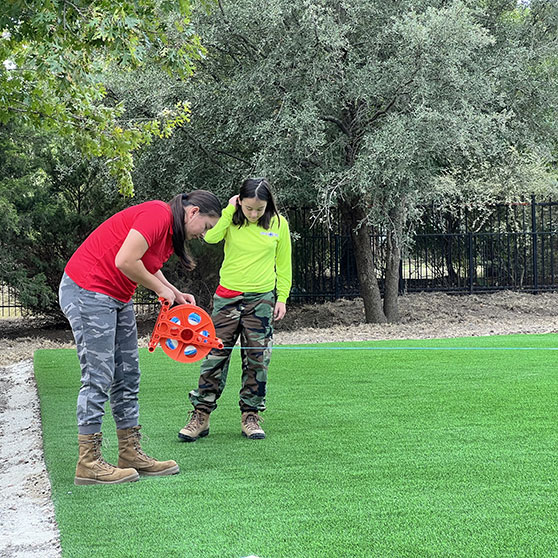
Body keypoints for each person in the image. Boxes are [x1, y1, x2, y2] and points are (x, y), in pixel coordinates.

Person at [59, 191, 222, 485]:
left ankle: (130, 453)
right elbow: (125, 260)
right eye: (207, 226)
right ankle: (88, 463)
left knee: (128, 375)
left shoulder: (169, 230)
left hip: (116, 296)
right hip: (87, 289)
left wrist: (174, 292)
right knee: (99, 375)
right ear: (193, 212)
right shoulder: (158, 214)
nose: (204, 234)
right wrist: (160, 291)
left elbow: (147, 264)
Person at [179, 178, 292, 442]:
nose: (254, 214)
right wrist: (230, 210)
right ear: (240, 201)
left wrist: (282, 298)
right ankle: (201, 415)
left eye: (260, 209)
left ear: (268, 206)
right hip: (227, 299)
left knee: (257, 358)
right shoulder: (231, 219)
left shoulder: (279, 224)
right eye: (249, 208)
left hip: (261, 300)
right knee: (214, 355)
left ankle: (250, 416)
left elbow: (283, 265)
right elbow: (211, 237)